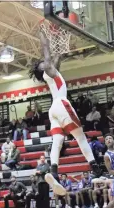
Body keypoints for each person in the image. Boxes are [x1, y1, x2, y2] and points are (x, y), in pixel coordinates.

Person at [29, 28, 101, 196]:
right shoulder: (48, 69)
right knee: (80, 137)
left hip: (53, 109)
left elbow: (57, 60)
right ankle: (95, 167)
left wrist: (61, 47)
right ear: (43, 67)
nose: (45, 62)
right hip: (61, 104)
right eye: (43, 62)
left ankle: (54, 170)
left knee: (57, 141)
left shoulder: (52, 73)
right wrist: (43, 36)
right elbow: (47, 53)